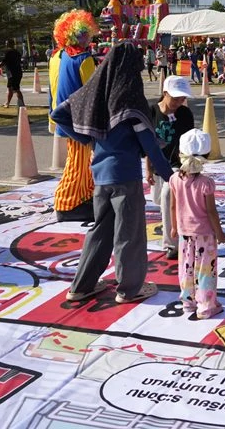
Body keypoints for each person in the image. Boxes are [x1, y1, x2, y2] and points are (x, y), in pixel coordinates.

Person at [51, 42, 172, 305]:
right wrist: (170, 176)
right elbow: (150, 145)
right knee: (129, 233)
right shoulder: (129, 99)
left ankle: (81, 286)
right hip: (125, 176)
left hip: (100, 176)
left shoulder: (96, 94)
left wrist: (88, 139)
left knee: (100, 231)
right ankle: (129, 289)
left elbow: (58, 114)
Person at [169, 128, 225, 319]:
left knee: (186, 267)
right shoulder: (206, 183)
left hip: (184, 232)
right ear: (206, 155)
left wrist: (173, 227)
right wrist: (219, 232)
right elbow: (211, 211)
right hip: (204, 234)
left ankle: (188, 302)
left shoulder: (174, 179)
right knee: (205, 269)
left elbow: (172, 206)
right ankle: (206, 306)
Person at [48, 10, 100, 222]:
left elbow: (53, 87)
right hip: (78, 120)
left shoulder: (58, 57)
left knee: (83, 161)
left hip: (62, 116)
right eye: (81, 34)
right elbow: (93, 93)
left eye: (86, 33)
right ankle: (65, 204)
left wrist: (52, 115)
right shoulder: (83, 59)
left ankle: (84, 196)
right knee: (77, 163)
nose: (86, 38)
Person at [146, 75, 196, 259]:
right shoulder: (151, 112)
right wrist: (148, 168)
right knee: (159, 200)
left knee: (168, 195)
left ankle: (171, 245)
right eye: (175, 98)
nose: (178, 102)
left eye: (182, 98)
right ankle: (178, 224)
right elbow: (147, 142)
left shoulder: (185, 114)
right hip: (157, 164)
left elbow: (190, 143)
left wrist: (188, 167)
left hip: (176, 166)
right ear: (165, 93)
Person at [0, 39, 25, 108]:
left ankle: (21, 104)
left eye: (6, 43)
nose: (6, 44)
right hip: (18, 72)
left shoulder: (8, 52)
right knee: (12, 88)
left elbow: (3, 62)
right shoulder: (17, 52)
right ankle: (8, 103)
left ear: (10, 44)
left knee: (15, 89)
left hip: (12, 73)